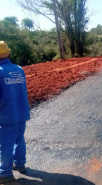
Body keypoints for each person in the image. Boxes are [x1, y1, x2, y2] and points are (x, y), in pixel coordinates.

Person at [0, 41, 30, 184]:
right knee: (19, 139)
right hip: (21, 111)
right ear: (8, 52)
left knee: (6, 143)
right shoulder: (19, 69)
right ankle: (20, 164)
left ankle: (5, 173)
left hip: (7, 115)